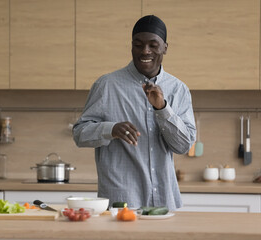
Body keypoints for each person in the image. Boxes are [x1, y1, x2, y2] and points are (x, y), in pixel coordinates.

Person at [72, 15, 196, 211]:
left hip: (164, 203)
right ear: (131, 46)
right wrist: (111, 129)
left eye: (153, 45)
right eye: (138, 45)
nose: (145, 51)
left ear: (165, 47)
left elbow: (183, 145)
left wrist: (162, 108)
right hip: (121, 201)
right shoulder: (106, 85)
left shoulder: (178, 89)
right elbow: (79, 134)